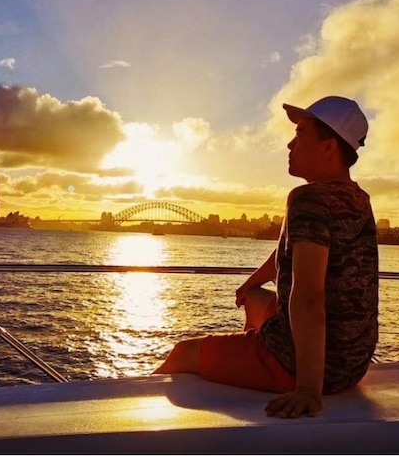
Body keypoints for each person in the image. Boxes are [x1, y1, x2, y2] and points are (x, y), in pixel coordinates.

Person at [153, 95, 378, 419]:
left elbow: (309, 297)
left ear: (329, 147)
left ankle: (126, 408)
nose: (289, 144)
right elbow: (295, 250)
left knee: (182, 352)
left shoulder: (308, 199)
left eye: (300, 135)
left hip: (307, 367)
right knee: (256, 300)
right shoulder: (359, 199)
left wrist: (307, 389)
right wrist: (252, 282)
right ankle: (248, 353)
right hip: (352, 363)